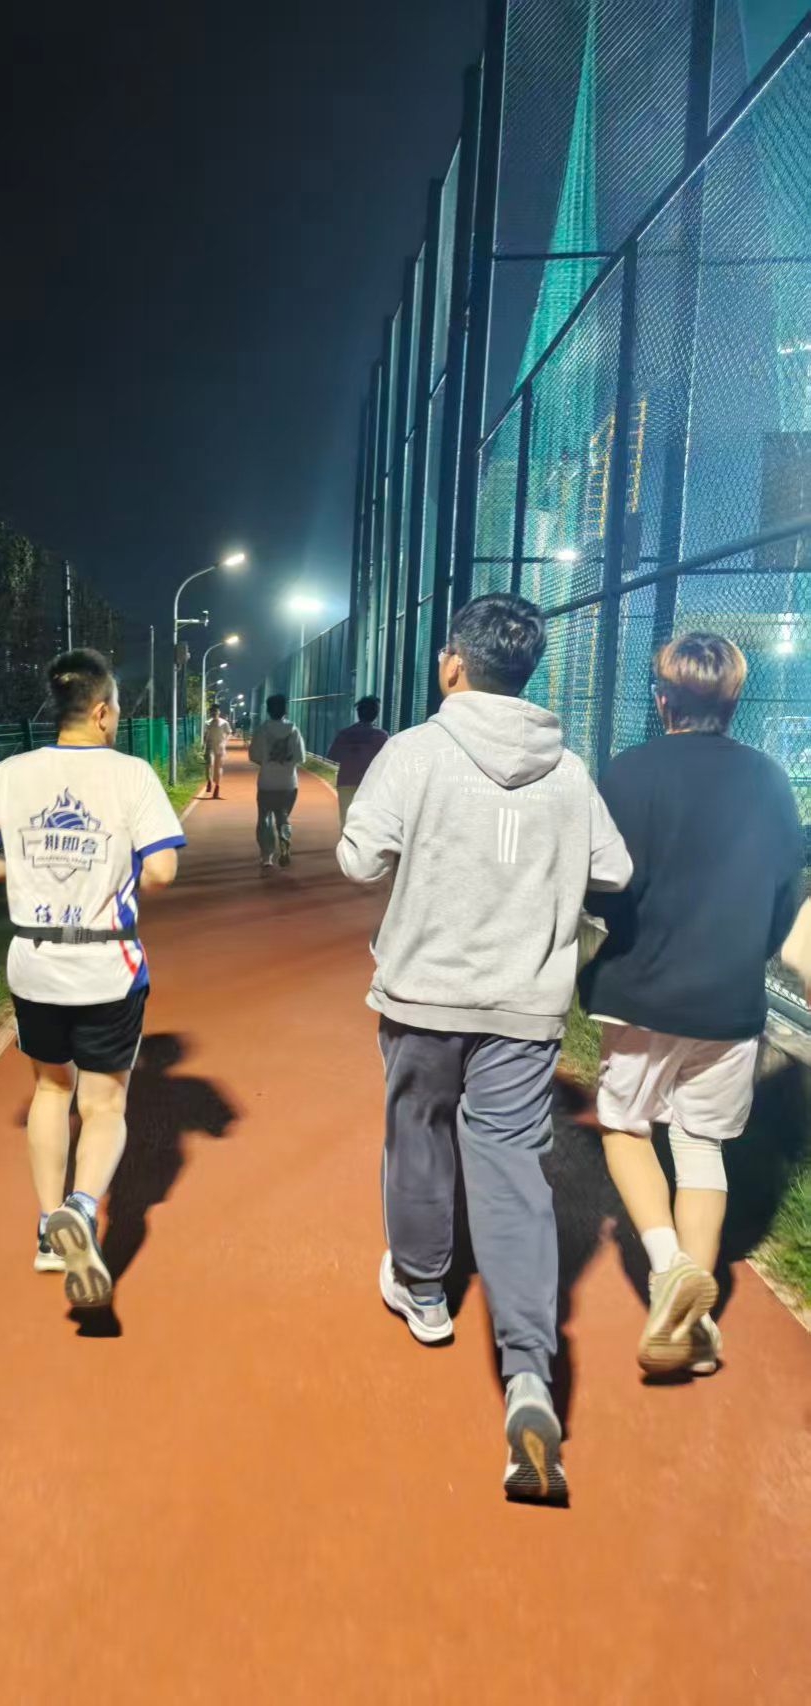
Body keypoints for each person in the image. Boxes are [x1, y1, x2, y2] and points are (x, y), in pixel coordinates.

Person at [337, 593, 631, 1503]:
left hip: (424, 993)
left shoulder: (414, 751)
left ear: (453, 664)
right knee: (509, 1169)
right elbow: (614, 871)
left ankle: (424, 1292)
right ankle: (531, 1374)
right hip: (523, 1006)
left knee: (418, 1134)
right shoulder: (568, 769)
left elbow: (358, 860)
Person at [580, 633, 803, 1378]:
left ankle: (669, 1267)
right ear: (734, 701)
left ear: (662, 700)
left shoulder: (629, 772)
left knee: (626, 1128)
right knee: (703, 1144)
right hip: (730, 999)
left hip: (640, 989)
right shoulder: (771, 780)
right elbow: (784, 901)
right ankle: (692, 1316)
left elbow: (603, 889)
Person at [0, 647, 185, 1310]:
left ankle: (48, 1229)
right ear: (102, 711)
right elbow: (161, 871)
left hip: (35, 963)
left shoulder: (11, 773)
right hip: (106, 964)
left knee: (51, 1090)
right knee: (103, 1105)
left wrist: (19, 871)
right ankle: (82, 1208)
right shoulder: (131, 775)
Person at [249, 693, 306, 873]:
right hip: (289, 784)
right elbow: (301, 757)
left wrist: (267, 763)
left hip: (267, 783)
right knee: (283, 817)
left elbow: (254, 755)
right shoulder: (293, 730)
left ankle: (267, 856)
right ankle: (284, 840)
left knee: (264, 819)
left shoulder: (262, 730)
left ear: (268, 710)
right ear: (285, 710)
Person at [326, 697, 390, 827]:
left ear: (358, 712)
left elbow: (333, 756)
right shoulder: (382, 736)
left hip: (346, 782)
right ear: (376, 714)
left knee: (346, 819)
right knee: (368, 821)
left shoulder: (344, 734)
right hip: (371, 784)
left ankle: (346, 839)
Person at [202, 704, 232, 799]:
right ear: (210, 713)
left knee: (218, 768)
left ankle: (217, 787)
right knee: (209, 764)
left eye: (216, 711)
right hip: (210, 746)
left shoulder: (224, 723)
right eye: (212, 712)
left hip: (220, 746)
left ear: (219, 712)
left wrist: (225, 741)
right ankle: (209, 781)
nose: (214, 713)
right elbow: (205, 734)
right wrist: (203, 744)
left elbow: (229, 733)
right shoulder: (207, 723)